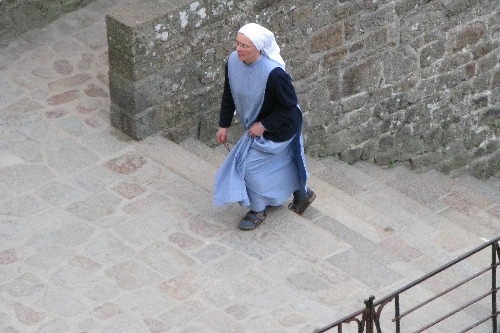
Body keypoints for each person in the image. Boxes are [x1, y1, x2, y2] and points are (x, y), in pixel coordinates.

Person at [213, 23, 315, 230]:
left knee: (247, 167)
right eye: (237, 43)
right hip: (257, 127)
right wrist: (223, 125)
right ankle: (302, 195)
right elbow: (229, 94)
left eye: (245, 46)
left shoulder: (274, 74)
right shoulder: (233, 62)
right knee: (283, 163)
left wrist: (264, 125)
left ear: (258, 48)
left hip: (281, 129)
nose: (238, 49)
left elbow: (288, 105)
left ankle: (258, 210)